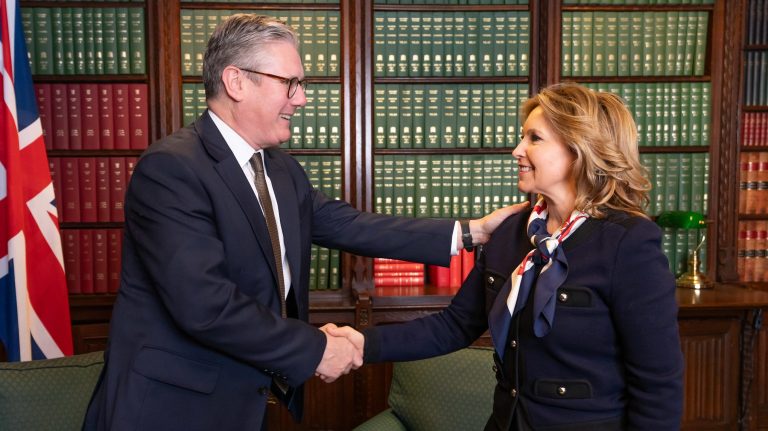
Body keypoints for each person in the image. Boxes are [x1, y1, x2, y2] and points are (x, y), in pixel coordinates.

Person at [81, 14, 522, 431]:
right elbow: (205, 305)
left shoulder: (279, 168)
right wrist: (317, 350)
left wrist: (472, 231)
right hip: (170, 408)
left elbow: (349, 225)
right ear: (236, 81)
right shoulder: (172, 169)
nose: (302, 97)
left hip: (240, 398)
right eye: (290, 82)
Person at [330, 82, 684, 430]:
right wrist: (362, 342)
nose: (516, 150)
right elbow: (455, 325)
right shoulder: (512, 231)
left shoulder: (629, 243)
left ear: (578, 150)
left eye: (534, 138)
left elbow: (658, 384)